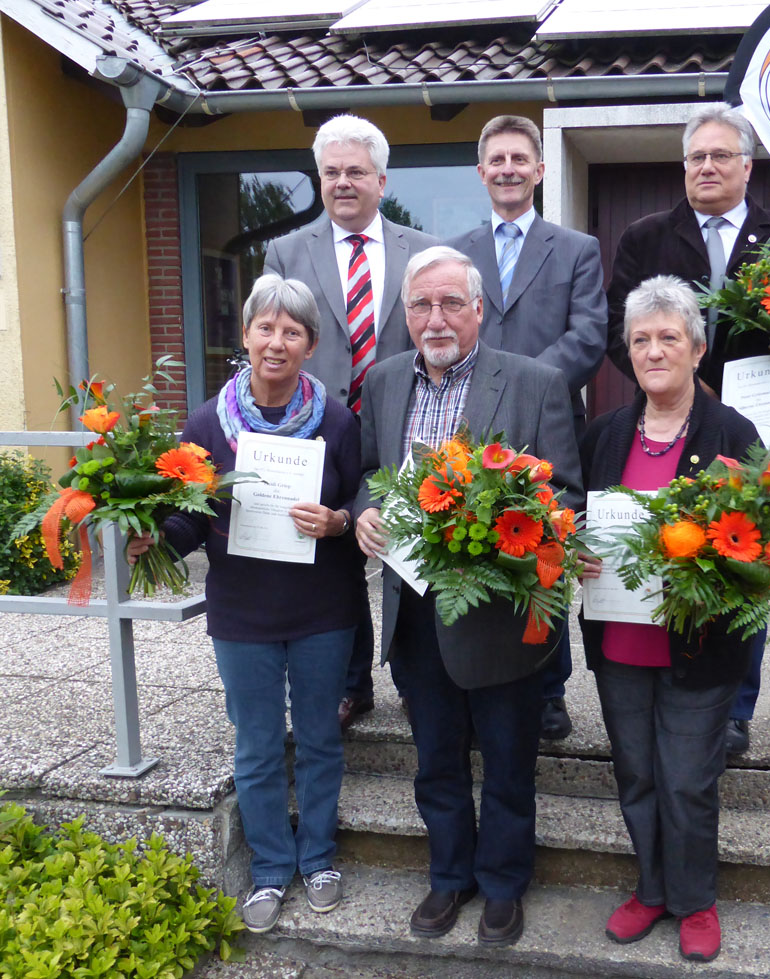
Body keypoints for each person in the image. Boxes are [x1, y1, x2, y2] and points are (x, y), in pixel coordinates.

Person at [355, 245, 583, 947]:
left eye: (452, 302)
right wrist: (366, 508)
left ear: (479, 308)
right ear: (405, 312)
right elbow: (370, 469)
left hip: (499, 616)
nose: (436, 317)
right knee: (436, 760)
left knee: (510, 762)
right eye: (422, 303)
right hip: (415, 611)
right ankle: (450, 876)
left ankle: (505, 884)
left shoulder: (536, 383)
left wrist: (494, 533)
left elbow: (565, 495)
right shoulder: (385, 380)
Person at [128, 274, 364, 934]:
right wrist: (152, 541)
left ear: (311, 343)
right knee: (257, 745)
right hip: (242, 614)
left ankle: (317, 858)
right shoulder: (206, 423)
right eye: (266, 327)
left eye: (292, 330)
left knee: (319, 738)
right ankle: (268, 866)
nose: (277, 341)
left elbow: (358, 504)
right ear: (246, 335)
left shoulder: (339, 421)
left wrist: (339, 522)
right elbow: (189, 519)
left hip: (323, 610)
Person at [578, 276, 758, 963]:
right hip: (621, 639)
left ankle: (695, 899)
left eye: (669, 337)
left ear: (698, 348)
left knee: (687, 778)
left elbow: (757, 545)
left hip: (699, 645)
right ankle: (651, 889)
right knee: (637, 774)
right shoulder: (605, 435)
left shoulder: (731, 434)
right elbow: (580, 525)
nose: (654, 350)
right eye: (641, 340)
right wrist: (579, 556)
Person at [606, 102, 770, 755]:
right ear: (683, 167)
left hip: (757, 426)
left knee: (745, 552)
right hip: (673, 420)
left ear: (747, 165)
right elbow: (616, 333)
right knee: (676, 545)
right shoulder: (646, 237)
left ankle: (737, 703)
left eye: (720, 156)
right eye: (696, 157)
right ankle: (665, 674)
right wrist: (681, 383)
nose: (707, 166)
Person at [265, 113, 438, 730]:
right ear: (319, 178)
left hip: (403, 423)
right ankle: (351, 682)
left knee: (410, 549)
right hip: (319, 428)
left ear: (381, 180)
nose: (343, 182)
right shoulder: (286, 251)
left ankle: (417, 678)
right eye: (332, 172)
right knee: (334, 556)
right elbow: (276, 338)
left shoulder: (420, 250)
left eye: (356, 172)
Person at [446, 114, 607, 740]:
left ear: (540, 171)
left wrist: (523, 386)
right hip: (472, 431)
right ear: (481, 172)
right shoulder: (455, 254)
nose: (508, 169)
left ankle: (549, 689)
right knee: (479, 547)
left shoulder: (577, 249)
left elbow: (590, 335)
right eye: (497, 160)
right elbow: (449, 330)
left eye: (520, 159)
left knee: (545, 550)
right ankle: (478, 670)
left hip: (552, 427)